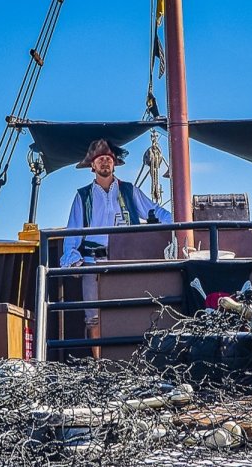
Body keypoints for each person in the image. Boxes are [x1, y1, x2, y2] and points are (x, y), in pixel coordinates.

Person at [60, 139, 173, 348]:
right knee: (93, 317)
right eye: (100, 159)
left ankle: (131, 361)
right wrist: (73, 260)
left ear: (114, 164)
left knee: (129, 311)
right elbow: (72, 236)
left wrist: (179, 223)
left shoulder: (130, 191)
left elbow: (155, 212)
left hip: (124, 261)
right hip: (92, 263)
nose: (105, 163)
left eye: (108, 159)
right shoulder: (83, 196)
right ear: (92, 166)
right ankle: (100, 365)